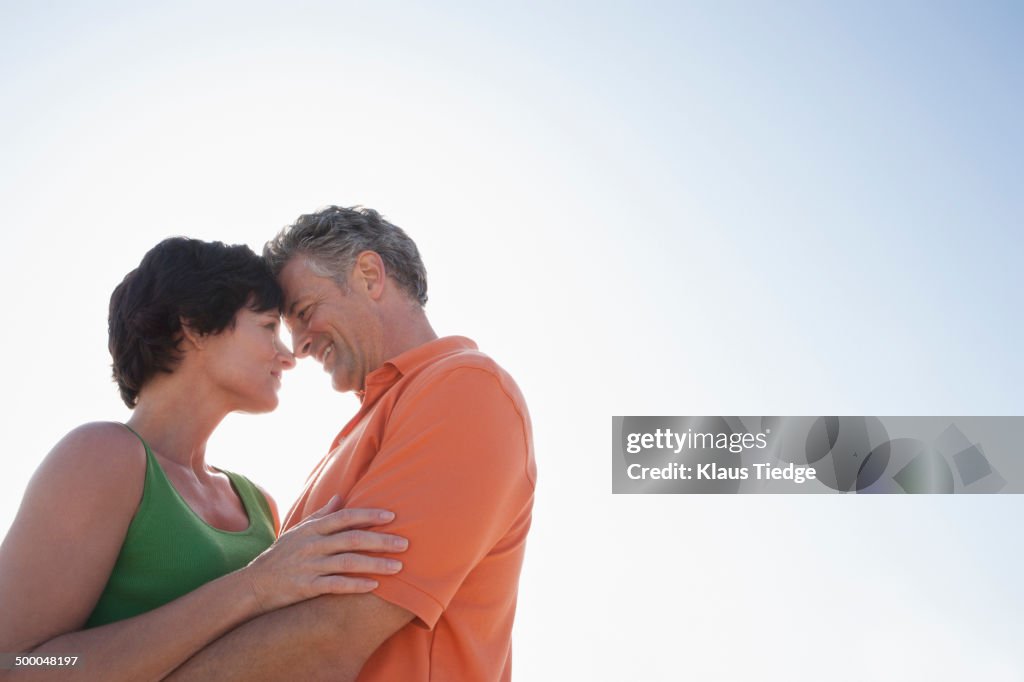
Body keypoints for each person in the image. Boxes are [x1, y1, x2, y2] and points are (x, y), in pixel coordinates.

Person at [0, 238, 408, 681]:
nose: (289, 356)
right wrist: (253, 586)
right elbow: (17, 664)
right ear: (195, 326)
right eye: (269, 325)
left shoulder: (258, 504)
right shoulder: (101, 458)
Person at [167, 206, 537, 681]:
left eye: (303, 312)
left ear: (368, 274)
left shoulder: (465, 388)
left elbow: (333, 633)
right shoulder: (363, 430)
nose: (297, 346)